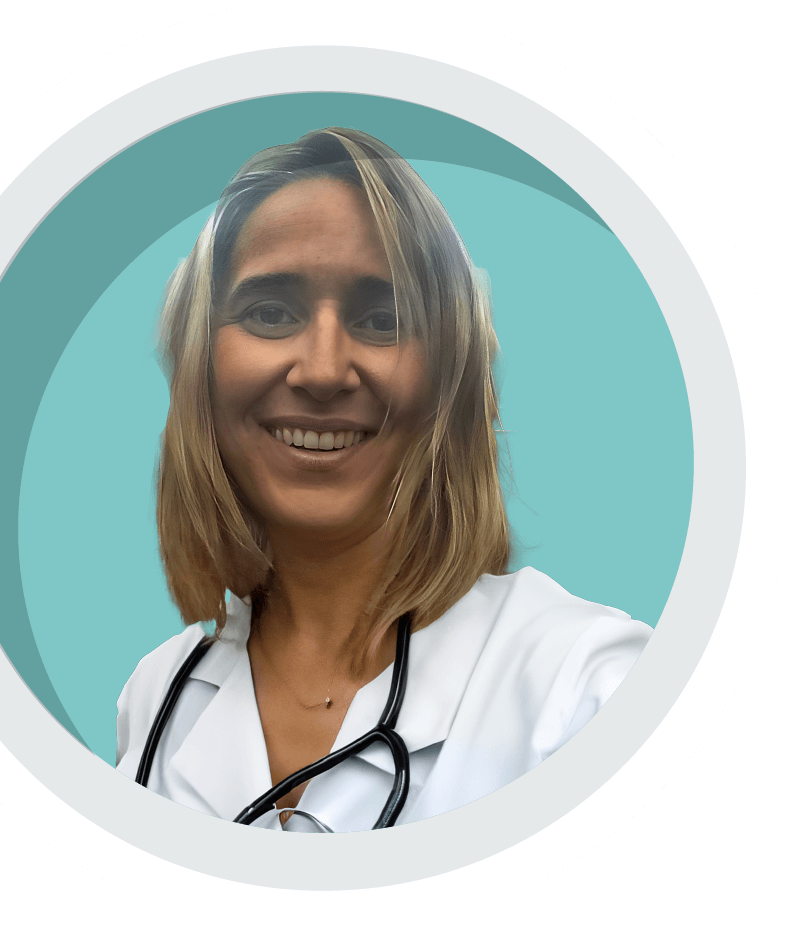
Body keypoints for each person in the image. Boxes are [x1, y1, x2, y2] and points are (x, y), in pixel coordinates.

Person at [115, 127, 653, 832]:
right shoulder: (157, 694)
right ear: (200, 367)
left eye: (382, 319)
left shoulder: (593, 686)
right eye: (270, 312)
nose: (323, 371)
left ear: (448, 382)